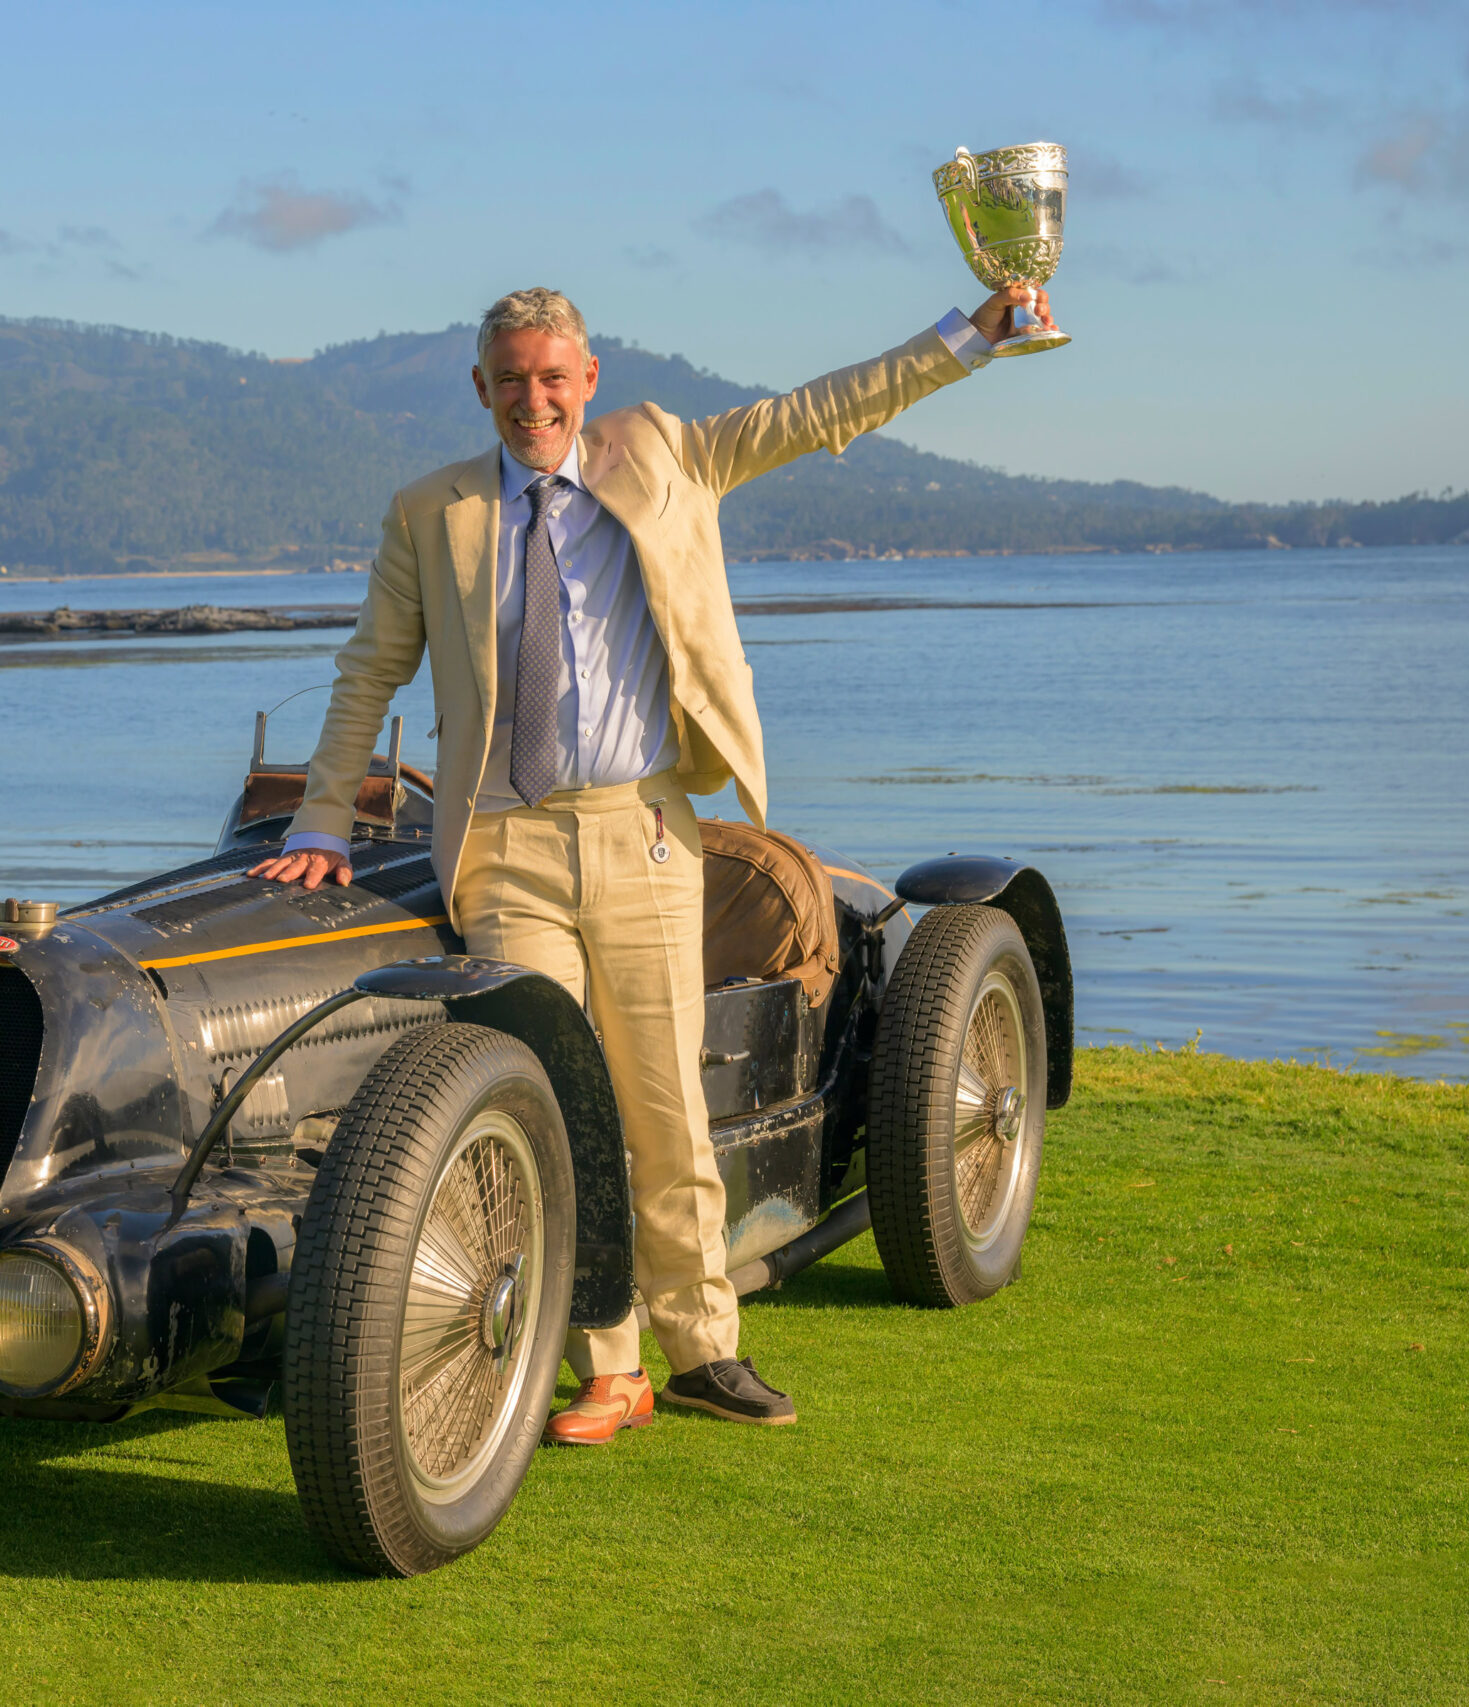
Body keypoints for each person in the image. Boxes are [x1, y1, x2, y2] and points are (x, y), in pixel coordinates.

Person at [247, 282, 1050, 1444]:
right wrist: (320, 820)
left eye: (552, 378)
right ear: (483, 390)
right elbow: (368, 668)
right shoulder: (434, 511)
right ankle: (605, 1369)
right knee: (559, 1108)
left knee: (664, 1107)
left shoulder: (668, 453)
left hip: (647, 835)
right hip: (506, 851)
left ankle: (705, 1351)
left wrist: (968, 336)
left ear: (588, 381)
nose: (534, 399)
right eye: (511, 380)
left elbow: (822, 412)